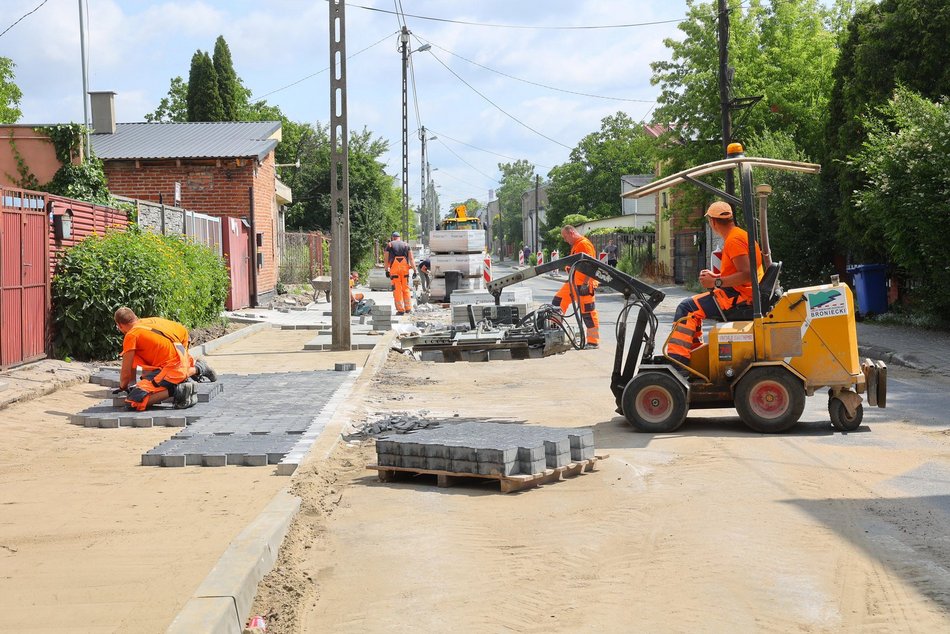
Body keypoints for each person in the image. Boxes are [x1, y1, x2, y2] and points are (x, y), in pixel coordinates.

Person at [667, 201, 764, 365]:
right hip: (742, 292)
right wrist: (717, 276)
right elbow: (741, 271)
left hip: (739, 296)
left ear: (712, 222)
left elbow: (747, 274)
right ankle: (695, 356)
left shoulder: (734, 241)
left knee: (687, 308)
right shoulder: (740, 235)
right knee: (693, 308)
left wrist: (716, 281)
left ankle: (678, 361)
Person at [114, 307, 217, 411]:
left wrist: (123, 387)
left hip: (171, 369)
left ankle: (177, 390)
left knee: (134, 401)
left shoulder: (131, 335)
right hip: (182, 361)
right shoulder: (150, 321)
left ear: (120, 325)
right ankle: (197, 368)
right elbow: (183, 332)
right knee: (150, 380)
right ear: (135, 317)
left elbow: (126, 373)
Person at [552, 225, 600, 349]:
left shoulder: (584, 244)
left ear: (571, 232)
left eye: (565, 237)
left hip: (584, 285)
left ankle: (593, 341)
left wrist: (585, 283)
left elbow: (592, 265)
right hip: (573, 283)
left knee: (588, 313)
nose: (565, 240)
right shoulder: (576, 245)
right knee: (557, 302)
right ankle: (554, 334)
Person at [385, 231, 415, 315]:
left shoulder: (389, 245)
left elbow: (386, 259)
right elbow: (411, 259)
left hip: (395, 271)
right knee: (406, 289)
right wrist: (415, 270)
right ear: (399, 237)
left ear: (392, 238)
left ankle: (400, 310)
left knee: (397, 290)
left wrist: (386, 270)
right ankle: (408, 308)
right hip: (404, 270)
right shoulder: (406, 245)